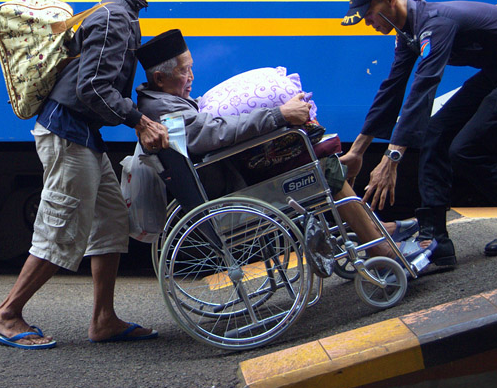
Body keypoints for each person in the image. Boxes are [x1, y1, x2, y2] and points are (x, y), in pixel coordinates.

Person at [0, 0, 179, 349]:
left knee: (110, 220)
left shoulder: (120, 13)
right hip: (67, 131)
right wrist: (138, 120)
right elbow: (93, 86)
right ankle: (7, 314)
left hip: (83, 134)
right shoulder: (114, 18)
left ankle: (103, 319)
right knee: (62, 226)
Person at [338, 0, 497, 269]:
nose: (366, 21)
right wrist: (357, 151)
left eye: (368, 13)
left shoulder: (435, 24)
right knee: (434, 135)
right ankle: (436, 241)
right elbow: (391, 92)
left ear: (389, 0)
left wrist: (391, 159)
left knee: (468, 151)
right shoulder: (408, 32)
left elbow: (424, 88)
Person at [134, 29, 416, 260]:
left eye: (191, 69)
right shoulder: (165, 110)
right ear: (160, 78)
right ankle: (379, 246)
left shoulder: (160, 101)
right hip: (232, 183)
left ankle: (371, 230)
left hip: (228, 172)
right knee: (324, 168)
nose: (192, 77)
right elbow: (211, 134)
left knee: (323, 161)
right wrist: (278, 115)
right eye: (185, 71)